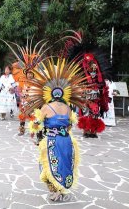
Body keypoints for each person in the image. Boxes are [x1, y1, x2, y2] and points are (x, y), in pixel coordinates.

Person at [25, 58, 85, 201]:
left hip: (52, 141)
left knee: (48, 165)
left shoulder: (46, 107)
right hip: (66, 140)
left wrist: (34, 128)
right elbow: (70, 125)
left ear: (49, 94)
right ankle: (61, 190)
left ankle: (55, 191)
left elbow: (37, 124)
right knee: (63, 165)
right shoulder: (67, 108)